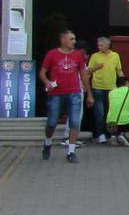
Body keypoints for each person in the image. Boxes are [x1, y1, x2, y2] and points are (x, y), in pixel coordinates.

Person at [38, 29, 93, 163]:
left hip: (74, 92)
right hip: (56, 93)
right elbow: (42, 72)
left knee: (74, 122)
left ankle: (71, 151)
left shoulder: (77, 55)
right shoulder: (52, 54)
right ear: (63, 40)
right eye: (71, 39)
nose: (74, 42)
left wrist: (89, 94)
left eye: (74, 39)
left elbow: (83, 75)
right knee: (52, 122)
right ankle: (48, 141)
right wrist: (47, 82)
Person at [88, 36, 124, 144]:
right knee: (99, 113)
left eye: (101, 45)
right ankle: (100, 134)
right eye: (98, 45)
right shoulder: (95, 56)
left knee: (111, 113)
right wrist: (96, 67)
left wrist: (124, 82)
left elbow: (119, 70)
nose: (99, 47)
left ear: (108, 45)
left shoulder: (115, 56)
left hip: (112, 87)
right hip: (97, 87)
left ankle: (112, 134)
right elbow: (88, 70)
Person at [106, 76, 129, 147]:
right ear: (126, 83)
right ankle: (126, 135)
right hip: (125, 123)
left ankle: (114, 135)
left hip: (110, 123)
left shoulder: (111, 92)